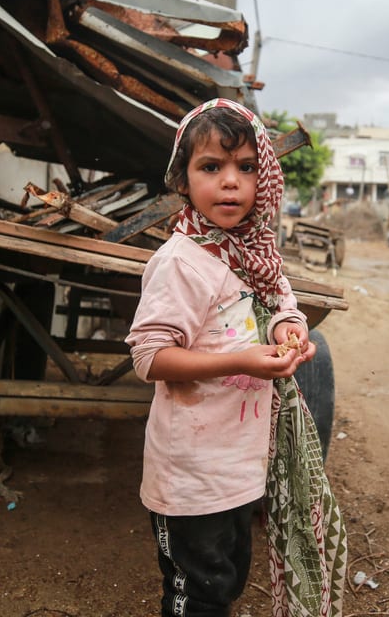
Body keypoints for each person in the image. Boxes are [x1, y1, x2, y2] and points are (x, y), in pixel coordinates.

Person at [127, 99, 332, 617]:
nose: (231, 183)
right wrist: (240, 361)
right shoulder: (182, 262)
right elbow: (150, 357)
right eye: (211, 167)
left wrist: (290, 327)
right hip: (191, 471)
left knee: (229, 578)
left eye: (246, 167)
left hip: (240, 466)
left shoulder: (251, 248)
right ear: (183, 179)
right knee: (197, 595)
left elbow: (281, 297)